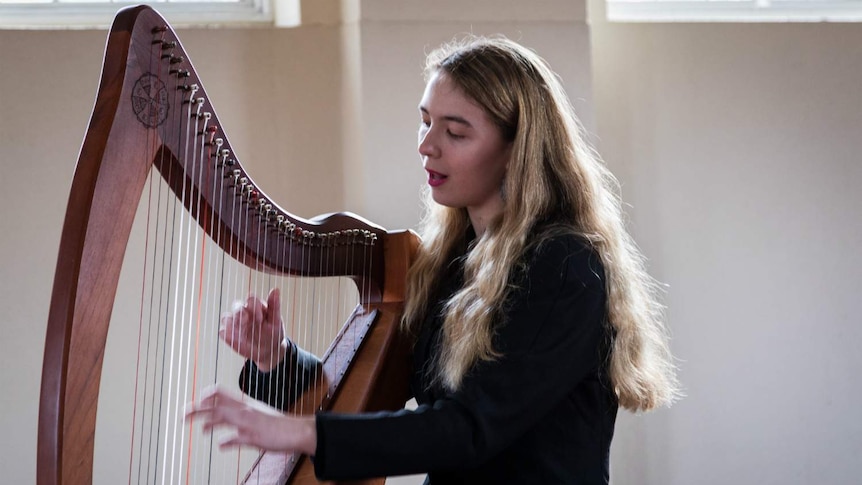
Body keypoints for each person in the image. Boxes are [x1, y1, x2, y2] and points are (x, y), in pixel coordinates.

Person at [187, 35, 680, 484]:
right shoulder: (451, 262)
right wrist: (277, 359)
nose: (426, 147)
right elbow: (374, 392)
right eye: (425, 122)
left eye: (455, 132)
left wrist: (297, 434)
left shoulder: (563, 264)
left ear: (516, 150)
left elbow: (469, 429)